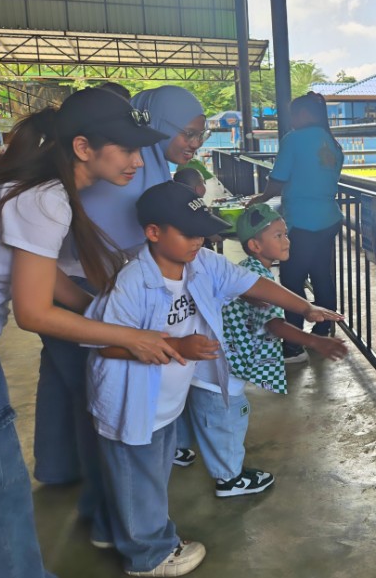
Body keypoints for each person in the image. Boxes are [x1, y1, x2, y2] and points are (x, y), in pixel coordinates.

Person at [84, 181, 343, 576]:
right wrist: (178, 348)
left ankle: (109, 529)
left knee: (139, 476)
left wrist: (306, 307)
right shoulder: (133, 281)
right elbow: (105, 344)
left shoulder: (201, 262)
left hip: (166, 401)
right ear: (153, 233)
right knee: (140, 479)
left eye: (201, 231)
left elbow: (254, 284)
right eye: (188, 232)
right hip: (132, 402)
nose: (199, 240)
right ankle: (149, 555)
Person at [0, 88, 181, 578]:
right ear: (84, 148)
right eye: (126, 148)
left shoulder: (43, 187)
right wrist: (133, 338)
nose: (136, 161)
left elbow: (48, 279)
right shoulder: (46, 198)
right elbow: (33, 312)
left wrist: (102, 313)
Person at [32, 85, 211, 544]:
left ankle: (93, 505)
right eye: (189, 133)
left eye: (201, 134)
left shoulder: (134, 166)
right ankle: (122, 528)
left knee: (80, 395)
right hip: (80, 293)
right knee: (104, 412)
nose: (195, 144)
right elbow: (39, 290)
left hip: (93, 290)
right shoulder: (54, 193)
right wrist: (107, 317)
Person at [173, 203, 348, 492]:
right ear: (255, 245)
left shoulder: (247, 269)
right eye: (278, 236)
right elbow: (274, 325)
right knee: (228, 418)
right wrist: (315, 340)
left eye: (286, 234)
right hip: (223, 367)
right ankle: (229, 479)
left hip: (207, 361)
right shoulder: (258, 278)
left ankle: (177, 451)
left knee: (197, 408)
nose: (287, 240)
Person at [250, 92, 344, 363]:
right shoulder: (332, 142)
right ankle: (323, 330)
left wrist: (261, 198)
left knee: (291, 281)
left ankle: (293, 345)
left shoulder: (294, 139)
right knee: (321, 276)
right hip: (328, 219)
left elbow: (278, 179)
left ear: (303, 114)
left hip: (301, 222)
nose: (291, 120)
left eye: (293, 114)